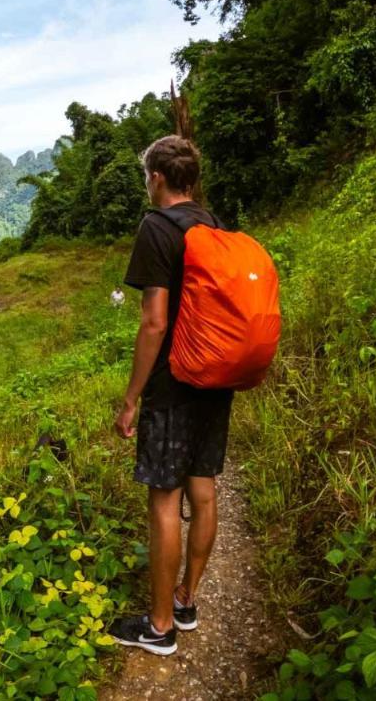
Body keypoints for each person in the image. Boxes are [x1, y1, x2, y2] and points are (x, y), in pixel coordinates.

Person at [108, 135, 234, 656]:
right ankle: (185, 601)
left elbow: (154, 321)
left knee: (165, 498)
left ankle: (158, 628)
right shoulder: (213, 227)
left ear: (156, 177)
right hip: (216, 375)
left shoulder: (157, 227)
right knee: (202, 488)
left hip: (173, 381)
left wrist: (132, 397)